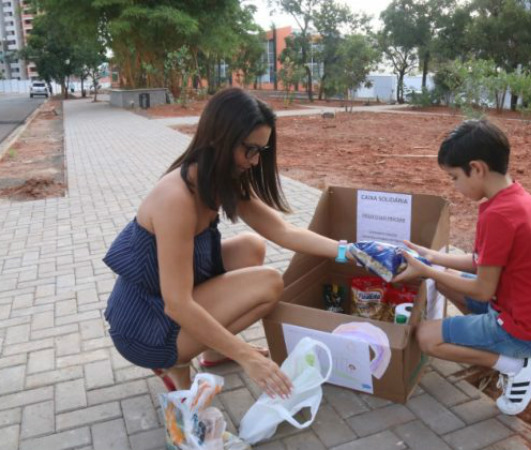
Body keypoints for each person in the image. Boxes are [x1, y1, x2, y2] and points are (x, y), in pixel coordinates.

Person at [103, 87, 351, 399]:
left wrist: (351, 251)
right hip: (143, 326)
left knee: (252, 246)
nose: (255, 161)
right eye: (250, 149)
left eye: (261, 150)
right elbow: (177, 303)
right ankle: (175, 361)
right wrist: (246, 355)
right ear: (219, 138)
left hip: (167, 301)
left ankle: (212, 352)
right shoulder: (176, 199)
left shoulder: (222, 181)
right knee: (270, 284)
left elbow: (284, 232)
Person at [394, 119, 531, 415]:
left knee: (426, 337)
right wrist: (430, 256)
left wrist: (425, 270)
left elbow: (482, 291)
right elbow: (478, 261)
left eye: (454, 177)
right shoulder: (513, 198)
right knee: (446, 279)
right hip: (522, 313)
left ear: (477, 168)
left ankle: (516, 365)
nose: (454, 186)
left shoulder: (499, 215)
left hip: (522, 330)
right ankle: (493, 347)